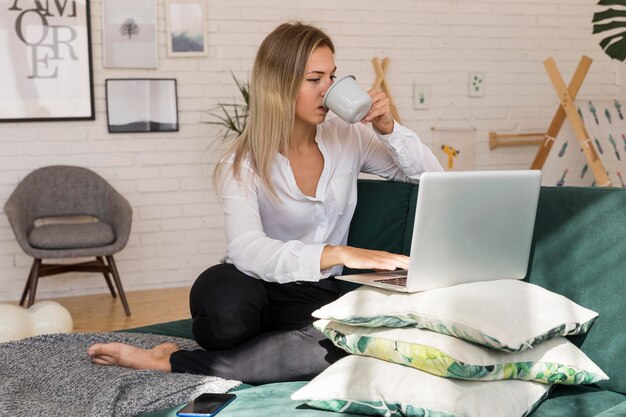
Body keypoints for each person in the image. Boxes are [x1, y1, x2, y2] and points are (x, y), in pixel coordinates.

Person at [87, 22, 443, 384]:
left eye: (333, 77)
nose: (329, 90)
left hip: (313, 290)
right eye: (314, 79)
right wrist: (335, 253)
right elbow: (247, 248)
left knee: (336, 348)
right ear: (280, 84)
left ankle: (174, 362)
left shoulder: (346, 136)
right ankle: (255, 347)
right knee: (225, 315)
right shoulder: (241, 161)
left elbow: (430, 178)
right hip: (249, 283)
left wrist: (388, 127)